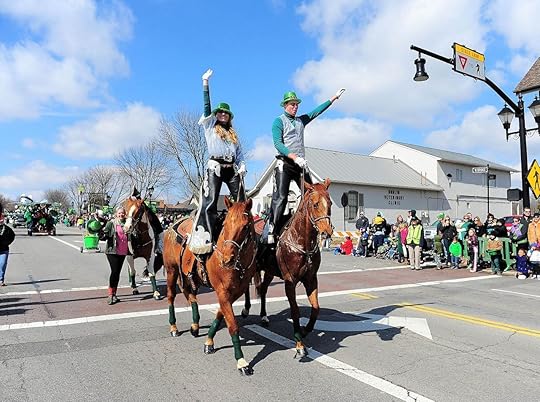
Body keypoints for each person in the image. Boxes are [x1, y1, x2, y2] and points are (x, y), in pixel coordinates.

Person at [266, 88, 345, 244]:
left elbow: (316, 112)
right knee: (281, 197)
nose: (295, 107)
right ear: (285, 105)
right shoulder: (279, 121)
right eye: (292, 104)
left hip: (300, 164)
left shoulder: (301, 121)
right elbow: (278, 143)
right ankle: (272, 229)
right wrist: (294, 156)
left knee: (312, 193)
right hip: (286, 163)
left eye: (296, 104)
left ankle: (309, 224)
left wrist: (333, 98)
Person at [189, 69, 247, 254]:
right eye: (220, 113)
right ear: (217, 115)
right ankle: (206, 236)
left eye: (226, 114)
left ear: (229, 117)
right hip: (215, 166)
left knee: (242, 201)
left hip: (231, 168)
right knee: (211, 200)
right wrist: (205, 83)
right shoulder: (210, 127)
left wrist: (243, 165)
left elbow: (240, 154)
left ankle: (244, 234)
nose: (223, 115)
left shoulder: (233, 135)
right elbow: (207, 107)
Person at [100, 207, 130, 305]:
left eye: (123, 213)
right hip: (112, 251)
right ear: (116, 214)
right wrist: (102, 234)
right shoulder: (111, 223)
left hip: (123, 251)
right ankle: (110, 294)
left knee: (117, 273)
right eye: (119, 213)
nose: (121, 214)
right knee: (114, 272)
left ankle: (114, 294)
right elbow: (106, 235)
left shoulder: (127, 224)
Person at [0, 208, 16, 286]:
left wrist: (6, 243)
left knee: (2, 264)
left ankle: (1, 279)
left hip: (4, 249)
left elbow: (12, 236)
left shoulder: (7, 229)